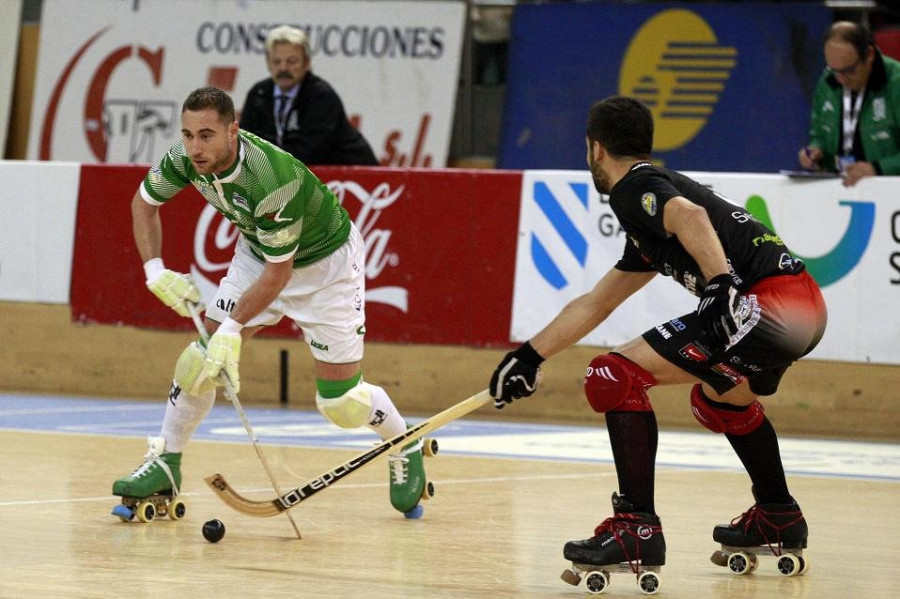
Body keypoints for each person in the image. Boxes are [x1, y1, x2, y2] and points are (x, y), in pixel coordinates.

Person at [490, 97, 827, 582]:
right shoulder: (649, 218)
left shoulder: (635, 187)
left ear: (595, 148)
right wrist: (529, 356)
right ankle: (778, 515)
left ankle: (636, 527)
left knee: (613, 374)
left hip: (768, 305)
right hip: (804, 307)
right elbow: (597, 302)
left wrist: (719, 284)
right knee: (721, 399)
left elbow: (690, 216)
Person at [112, 86, 428, 519]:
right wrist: (154, 271)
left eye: (206, 136)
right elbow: (143, 204)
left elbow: (280, 275)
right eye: (187, 135)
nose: (194, 148)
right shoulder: (184, 159)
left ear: (233, 131)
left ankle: (402, 441)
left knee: (342, 403)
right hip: (258, 254)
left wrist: (230, 327)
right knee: (198, 363)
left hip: (326, 270)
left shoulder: (271, 179)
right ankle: (166, 462)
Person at [239, 25, 379, 166]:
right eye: (276, 61)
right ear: (268, 63)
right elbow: (244, 145)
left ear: (307, 63)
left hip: (352, 177)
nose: (283, 68)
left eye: (291, 61)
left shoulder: (322, 96)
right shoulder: (259, 94)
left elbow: (309, 154)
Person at [798, 21, 900, 186]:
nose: (841, 79)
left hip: (889, 193)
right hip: (839, 190)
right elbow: (818, 134)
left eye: (849, 70)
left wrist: (878, 168)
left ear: (869, 55)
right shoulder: (828, 81)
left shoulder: (895, 83)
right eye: (834, 70)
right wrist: (815, 151)